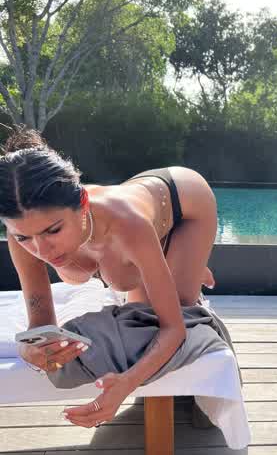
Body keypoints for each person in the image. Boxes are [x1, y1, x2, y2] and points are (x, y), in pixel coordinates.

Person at [0, 127, 218, 428]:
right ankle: (170, 263)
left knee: (161, 312)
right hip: (136, 214)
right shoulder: (22, 237)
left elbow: (174, 329)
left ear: (82, 205)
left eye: (53, 230)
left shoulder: (128, 225)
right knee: (131, 284)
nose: (41, 251)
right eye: (24, 237)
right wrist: (28, 350)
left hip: (185, 200)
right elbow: (40, 325)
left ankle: (183, 259)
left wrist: (127, 383)